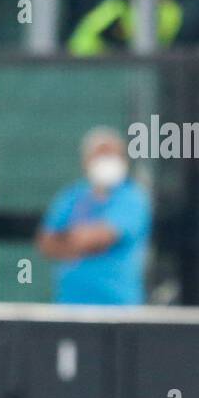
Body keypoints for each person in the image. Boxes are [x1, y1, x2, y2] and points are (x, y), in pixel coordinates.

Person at [36, 127, 151, 306]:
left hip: (118, 308)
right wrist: (82, 239)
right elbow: (47, 243)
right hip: (70, 306)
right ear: (86, 160)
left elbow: (103, 237)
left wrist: (68, 240)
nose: (105, 161)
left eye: (111, 154)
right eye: (99, 155)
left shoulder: (132, 198)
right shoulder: (71, 196)